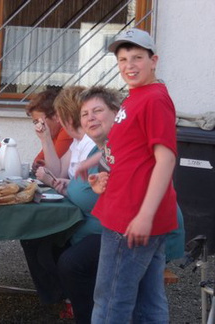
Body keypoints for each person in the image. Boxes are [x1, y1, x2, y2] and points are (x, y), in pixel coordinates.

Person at [90, 28, 179, 323]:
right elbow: (130, 153)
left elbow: (165, 158)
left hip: (132, 218)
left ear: (154, 60)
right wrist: (104, 176)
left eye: (138, 57)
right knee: (148, 303)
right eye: (123, 58)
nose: (130, 65)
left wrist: (144, 215)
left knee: (111, 301)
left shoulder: (154, 99)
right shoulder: (135, 96)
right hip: (128, 209)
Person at [20, 86, 99, 322]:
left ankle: (72, 301)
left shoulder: (91, 143)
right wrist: (45, 139)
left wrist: (59, 184)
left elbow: (85, 195)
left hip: (92, 221)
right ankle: (64, 298)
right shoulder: (78, 143)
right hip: (78, 213)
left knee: (47, 245)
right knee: (35, 238)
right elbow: (57, 171)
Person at [51, 85, 121, 323]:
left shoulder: (116, 144)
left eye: (97, 111)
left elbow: (87, 197)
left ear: (115, 113)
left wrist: (71, 186)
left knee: (71, 262)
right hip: (110, 227)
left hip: (129, 230)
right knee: (52, 242)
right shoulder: (102, 147)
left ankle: (86, 315)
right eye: (85, 114)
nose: (90, 118)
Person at [34, 86, 96, 186]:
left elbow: (85, 189)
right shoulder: (77, 141)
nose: (58, 120)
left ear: (68, 118)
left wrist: (51, 181)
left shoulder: (90, 143)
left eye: (59, 116)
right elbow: (58, 173)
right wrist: (45, 138)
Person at [25, 88, 73, 173]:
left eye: (39, 121)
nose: (38, 125)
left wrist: (42, 164)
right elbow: (37, 161)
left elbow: (52, 167)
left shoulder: (67, 131)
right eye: (35, 122)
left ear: (55, 116)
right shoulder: (53, 133)